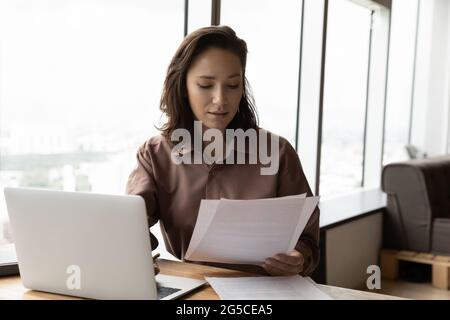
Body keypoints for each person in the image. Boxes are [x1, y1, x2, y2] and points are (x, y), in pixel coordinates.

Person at [126, 25, 319, 277]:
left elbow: (308, 240)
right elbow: (129, 225)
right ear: (182, 86)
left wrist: (298, 258)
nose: (220, 99)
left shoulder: (278, 152)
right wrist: (138, 251)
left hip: (265, 289)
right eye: (206, 85)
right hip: (191, 286)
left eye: (233, 85)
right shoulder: (155, 154)